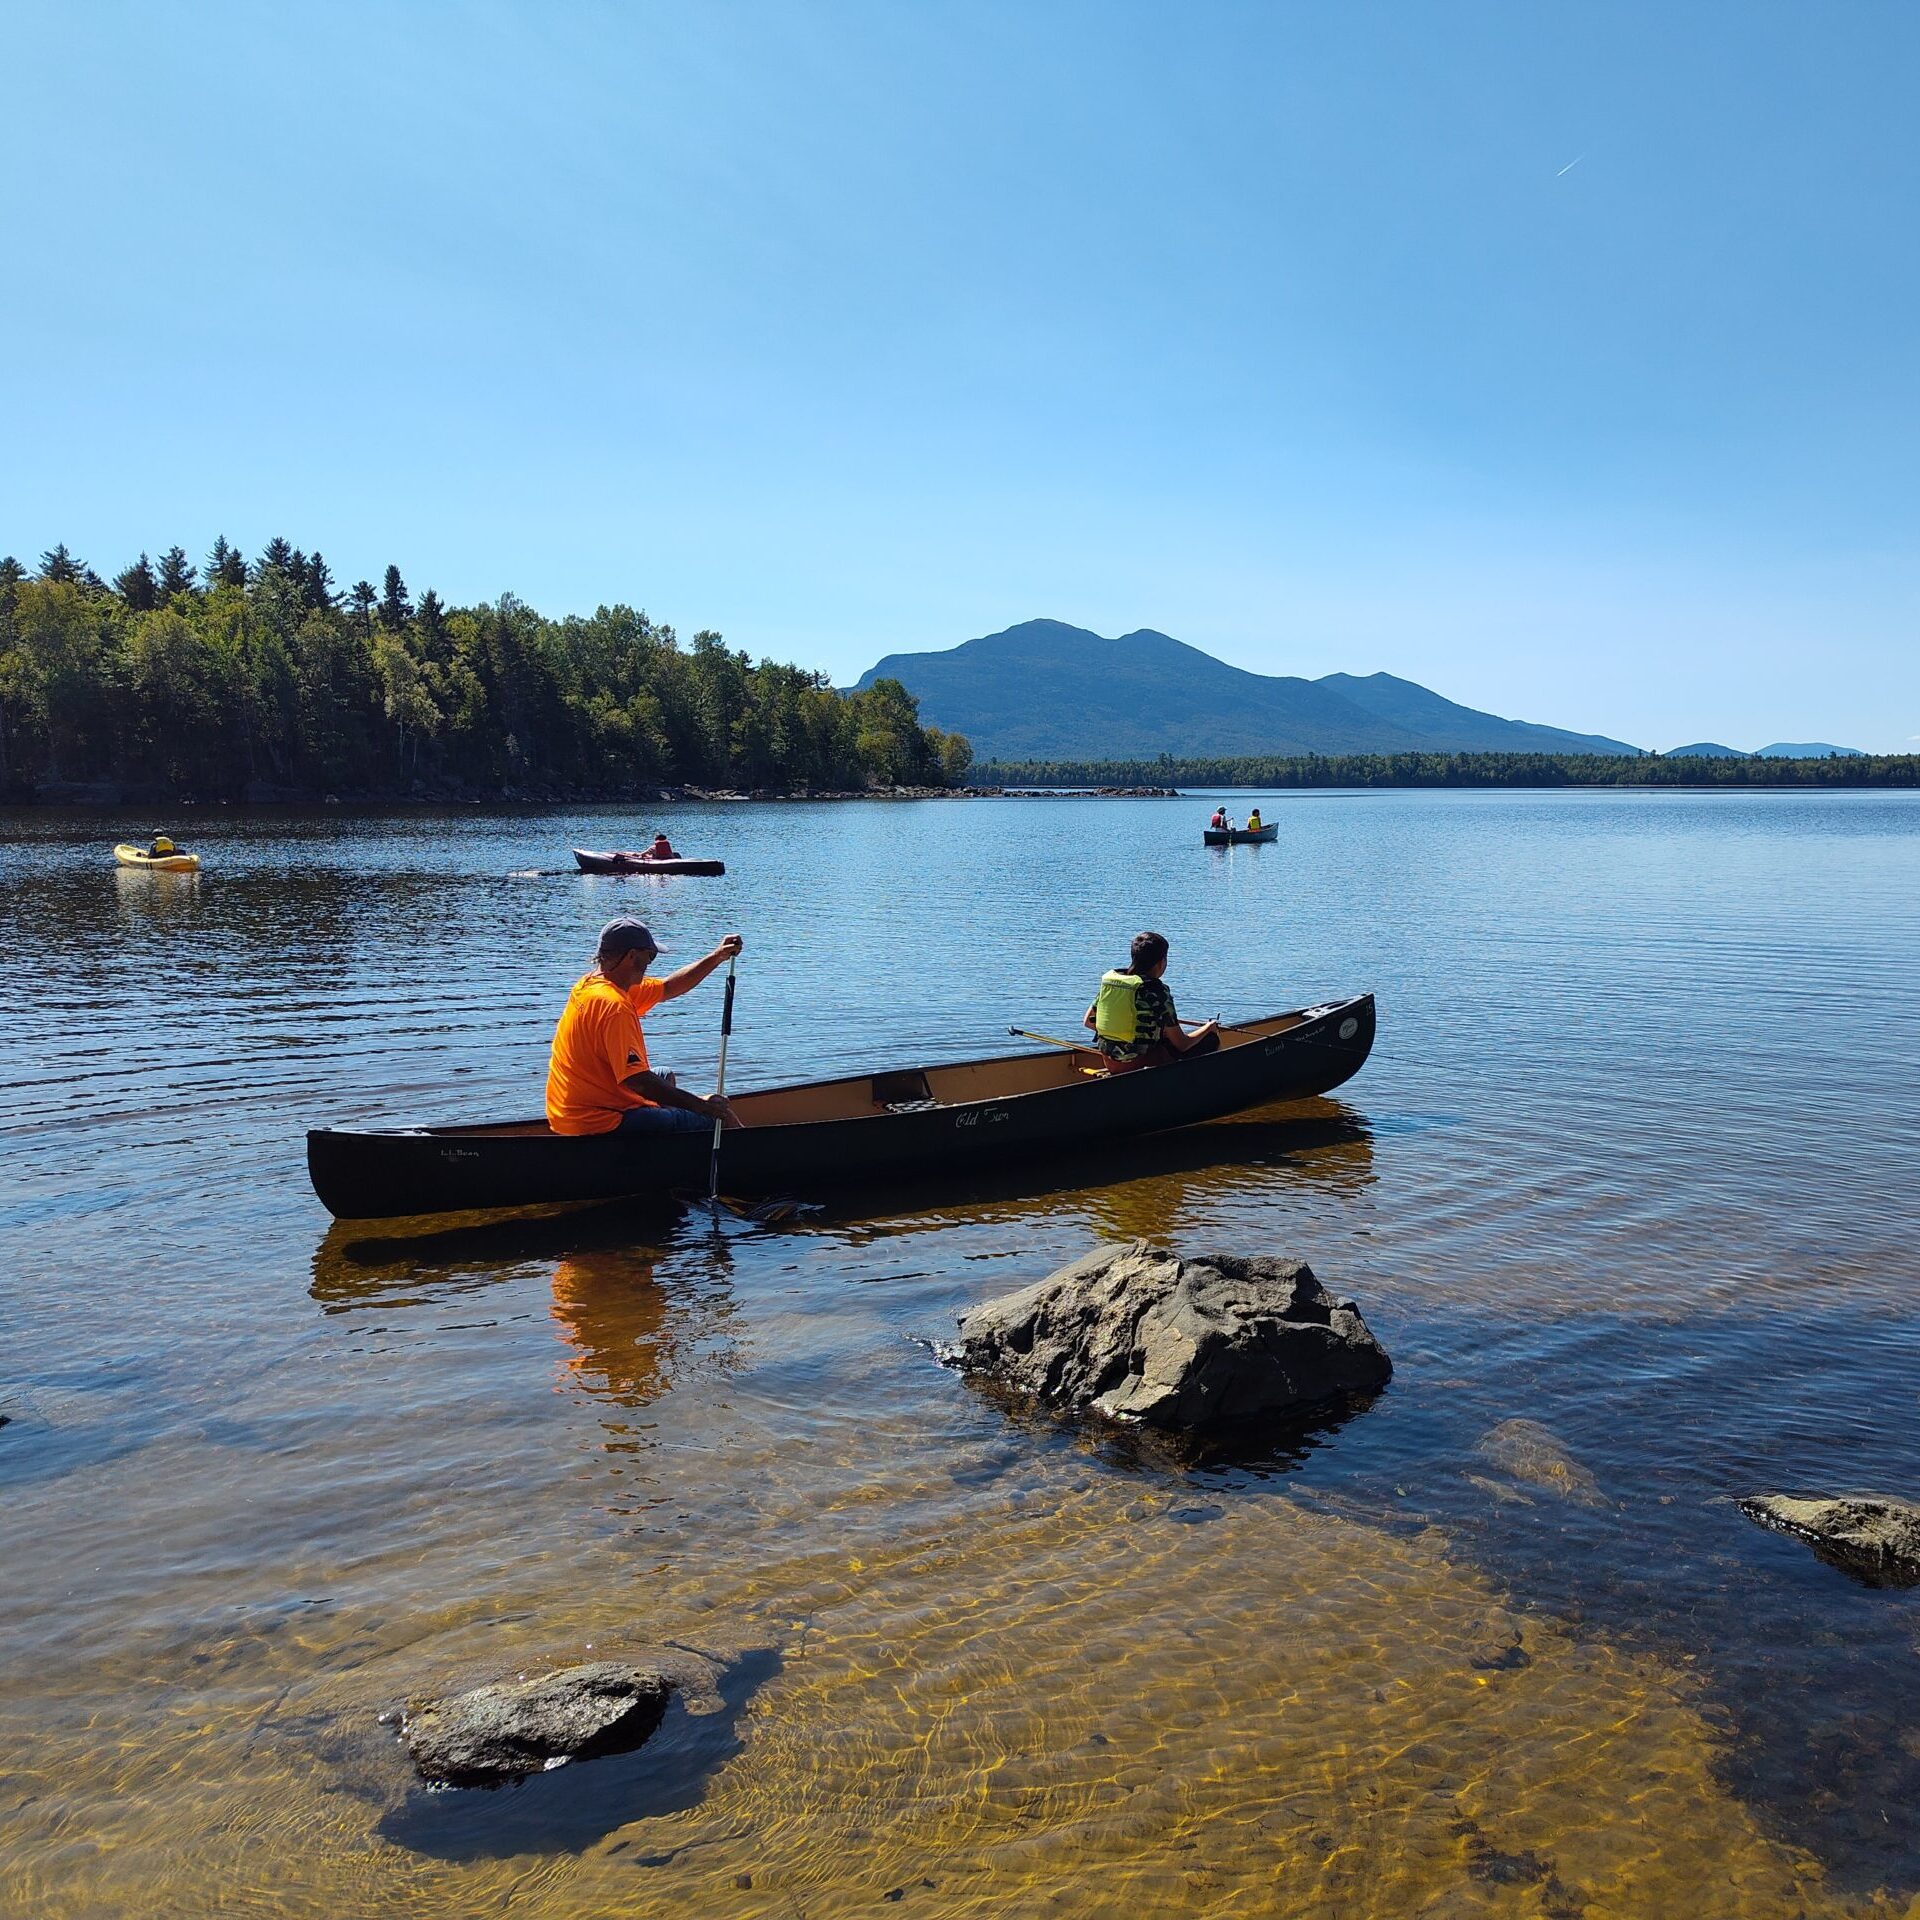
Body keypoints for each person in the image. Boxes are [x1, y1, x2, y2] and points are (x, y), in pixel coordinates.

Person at [546, 918, 743, 1135]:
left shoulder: (592, 984)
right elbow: (639, 1083)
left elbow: (668, 987)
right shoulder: (615, 1006)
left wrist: (717, 957)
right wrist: (702, 1106)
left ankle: (664, 1144)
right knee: (720, 1118)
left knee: (665, 1075)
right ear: (631, 956)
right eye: (650, 956)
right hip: (599, 1121)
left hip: (571, 1109)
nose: (650, 962)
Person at [1082, 930, 1220, 1073]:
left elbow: (1089, 1022)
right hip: (1140, 1063)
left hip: (1110, 1062)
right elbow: (1182, 1044)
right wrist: (1209, 1028)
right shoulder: (1157, 990)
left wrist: (1125, 1031)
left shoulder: (1113, 984)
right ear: (1161, 962)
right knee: (1210, 1040)